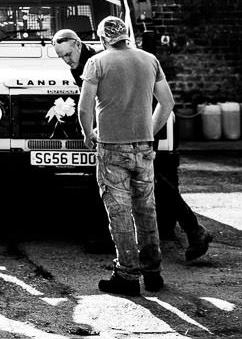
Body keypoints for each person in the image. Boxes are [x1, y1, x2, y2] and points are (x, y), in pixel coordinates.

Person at [79, 16, 175, 296]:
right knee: (146, 209)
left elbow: (85, 109)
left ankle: (127, 275)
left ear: (102, 38)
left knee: (119, 211)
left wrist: (88, 134)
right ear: (126, 36)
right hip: (144, 146)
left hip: (111, 147)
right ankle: (153, 272)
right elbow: (167, 103)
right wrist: (150, 131)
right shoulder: (149, 60)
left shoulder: (97, 62)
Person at [52, 29, 113, 255]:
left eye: (68, 54)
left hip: (115, 124)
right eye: (62, 57)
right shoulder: (78, 65)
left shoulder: (94, 62)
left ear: (78, 45)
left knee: (108, 182)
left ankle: (105, 237)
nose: (67, 60)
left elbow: (93, 101)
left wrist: (90, 131)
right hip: (107, 124)